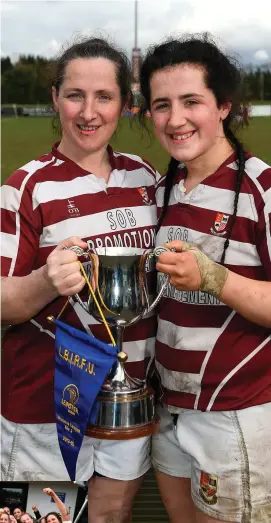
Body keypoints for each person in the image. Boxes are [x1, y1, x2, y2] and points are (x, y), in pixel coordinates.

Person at [1, 36, 158, 523]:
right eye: (75, 95)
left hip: (126, 401)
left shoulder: (144, 179)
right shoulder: (26, 186)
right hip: (45, 406)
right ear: (55, 98)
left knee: (111, 517)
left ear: (125, 105)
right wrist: (46, 281)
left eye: (104, 97)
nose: (88, 112)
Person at [139, 34, 271, 523]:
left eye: (192, 101)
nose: (176, 120)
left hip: (236, 411)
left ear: (224, 107)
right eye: (161, 105)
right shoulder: (160, 190)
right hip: (167, 406)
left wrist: (216, 279)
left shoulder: (262, 188)